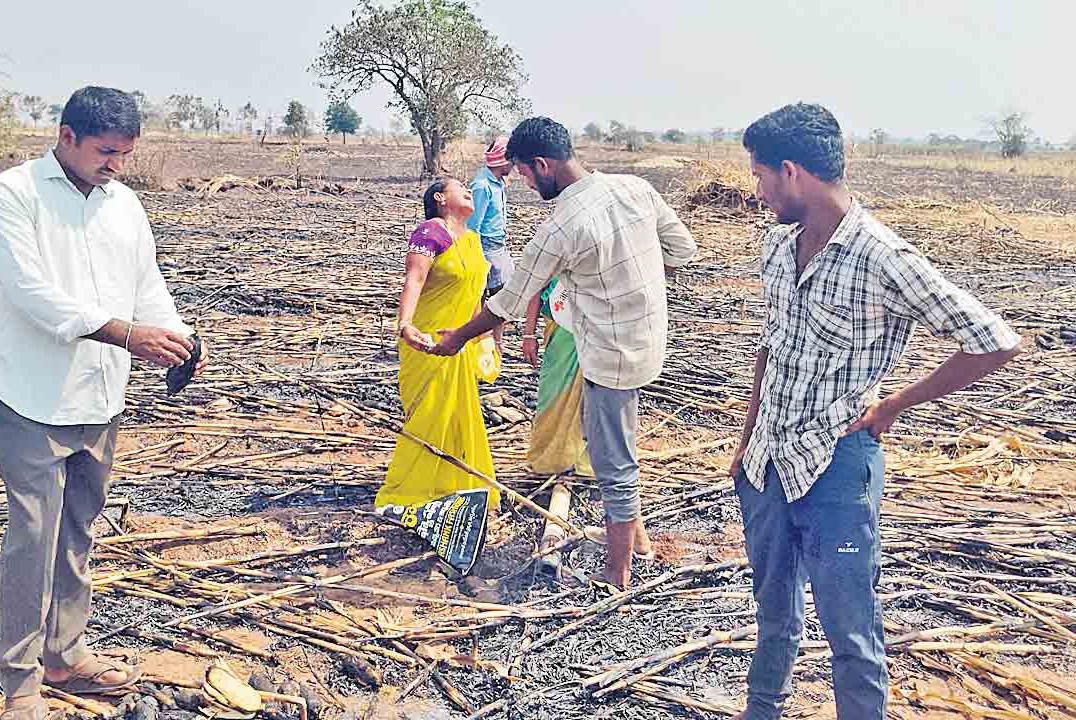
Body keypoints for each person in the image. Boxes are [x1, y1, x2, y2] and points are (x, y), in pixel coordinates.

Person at [728, 103, 1021, 720]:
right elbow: (770, 345)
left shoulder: (883, 257)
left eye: (760, 176)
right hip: (766, 464)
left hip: (836, 467)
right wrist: (747, 440)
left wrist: (894, 404)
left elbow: (993, 341)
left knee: (851, 633)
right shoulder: (778, 245)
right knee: (773, 615)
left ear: (791, 172)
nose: (757, 192)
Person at [0, 86, 207, 720]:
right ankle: (20, 681)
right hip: (32, 394)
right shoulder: (13, 194)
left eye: (125, 154)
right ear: (67, 136)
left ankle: (64, 653)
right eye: (106, 151)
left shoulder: (124, 205)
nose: (116, 165)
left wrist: (179, 337)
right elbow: (32, 295)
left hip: (101, 395)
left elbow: (146, 286)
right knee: (33, 535)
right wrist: (129, 336)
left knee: (78, 528)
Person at [430, 117, 697, 587]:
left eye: (525, 173)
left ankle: (618, 571)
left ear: (542, 164)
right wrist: (636, 281)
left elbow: (508, 303)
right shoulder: (635, 188)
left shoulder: (561, 227)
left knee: (614, 461)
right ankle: (637, 540)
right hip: (648, 340)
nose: (527, 184)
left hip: (609, 356)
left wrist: (458, 338)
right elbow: (681, 249)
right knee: (616, 439)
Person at [375, 177, 500, 511]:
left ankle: (451, 484)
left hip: (459, 342)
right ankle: (410, 489)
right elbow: (414, 279)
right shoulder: (430, 232)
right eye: (460, 187)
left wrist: (483, 336)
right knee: (429, 413)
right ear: (440, 198)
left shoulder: (473, 241)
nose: (469, 191)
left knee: (457, 415)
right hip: (427, 340)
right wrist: (405, 324)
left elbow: (474, 295)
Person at [522, 279, 593, 478]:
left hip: (597, 330)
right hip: (561, 327)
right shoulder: (554, 256)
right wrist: (528, 335)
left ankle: (585, 460)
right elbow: (536, 284)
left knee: (592, 394)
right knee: (552, 393)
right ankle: (550, 457)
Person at [469, 136, 514, 347]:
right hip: (485, 248)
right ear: (502, 161)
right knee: (480, 296)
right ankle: (481, 343)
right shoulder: (482, 186)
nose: (514, 166)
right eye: (511, 161)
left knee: (501, 298)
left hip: (498, 246)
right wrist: (475, 255)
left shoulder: (498, 183)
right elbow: (473, 226)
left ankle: (497, 344)